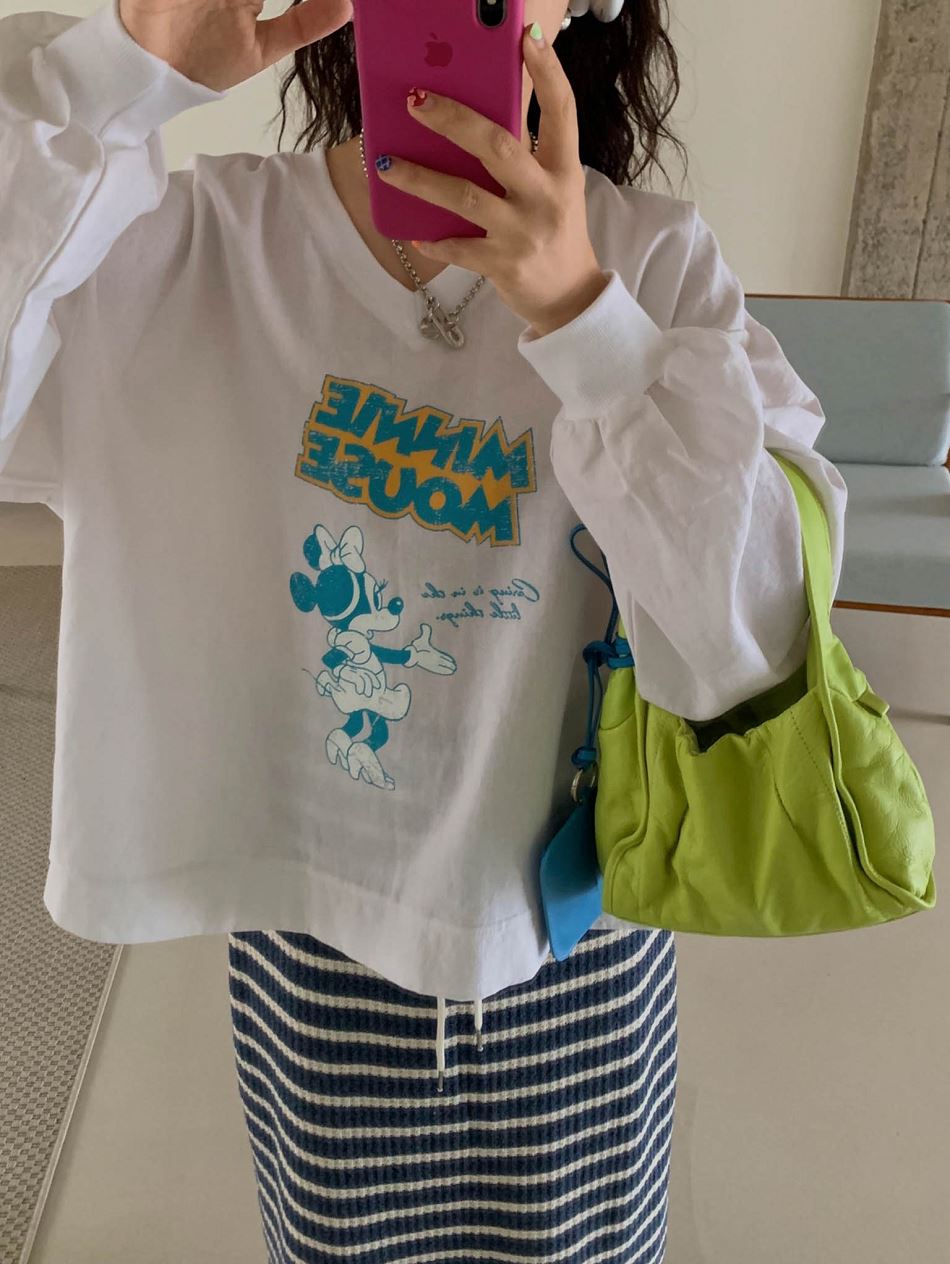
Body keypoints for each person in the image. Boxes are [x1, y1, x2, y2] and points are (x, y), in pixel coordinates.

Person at [0, 0, 848, 1259]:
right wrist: (112, 83)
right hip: (308, 930)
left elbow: (758, 638)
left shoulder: (655, 268)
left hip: (573, 939)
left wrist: (589, 326)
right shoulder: (183, 242)